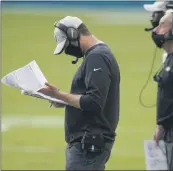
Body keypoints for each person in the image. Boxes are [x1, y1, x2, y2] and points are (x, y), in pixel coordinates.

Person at [38, 16, 120, 170]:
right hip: (88, 145)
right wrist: (64, 101)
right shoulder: (96, 55)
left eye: (67, 45)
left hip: (88, 146)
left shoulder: (97, 57)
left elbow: (94, 102)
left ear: (74, 34)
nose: (67, 51)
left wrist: (58, 95)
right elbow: (91, 97)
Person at [151, 10, 173, 170]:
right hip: (169, 132)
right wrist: (160, 126)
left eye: (162, 25)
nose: (156, 30)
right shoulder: (172, 57)